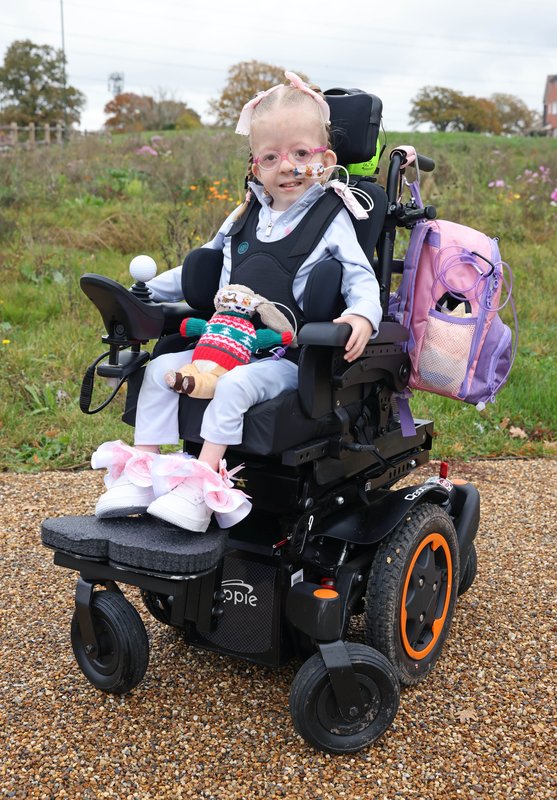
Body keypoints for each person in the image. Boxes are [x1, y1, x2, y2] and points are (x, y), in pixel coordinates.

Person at [91, 70, 383, 533]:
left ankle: (200, 486)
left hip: (286, 355)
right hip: (225, 344)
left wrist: (362, 316)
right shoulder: (244, 215)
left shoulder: (333, 216)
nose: (287, 167)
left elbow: (359, 276)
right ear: (255, 166)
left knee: (235, 386)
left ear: (325, 159)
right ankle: (142, 474)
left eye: (301, 154)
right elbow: (199, 269)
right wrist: (139, 295)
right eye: (272, 157)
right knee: (159, 370)